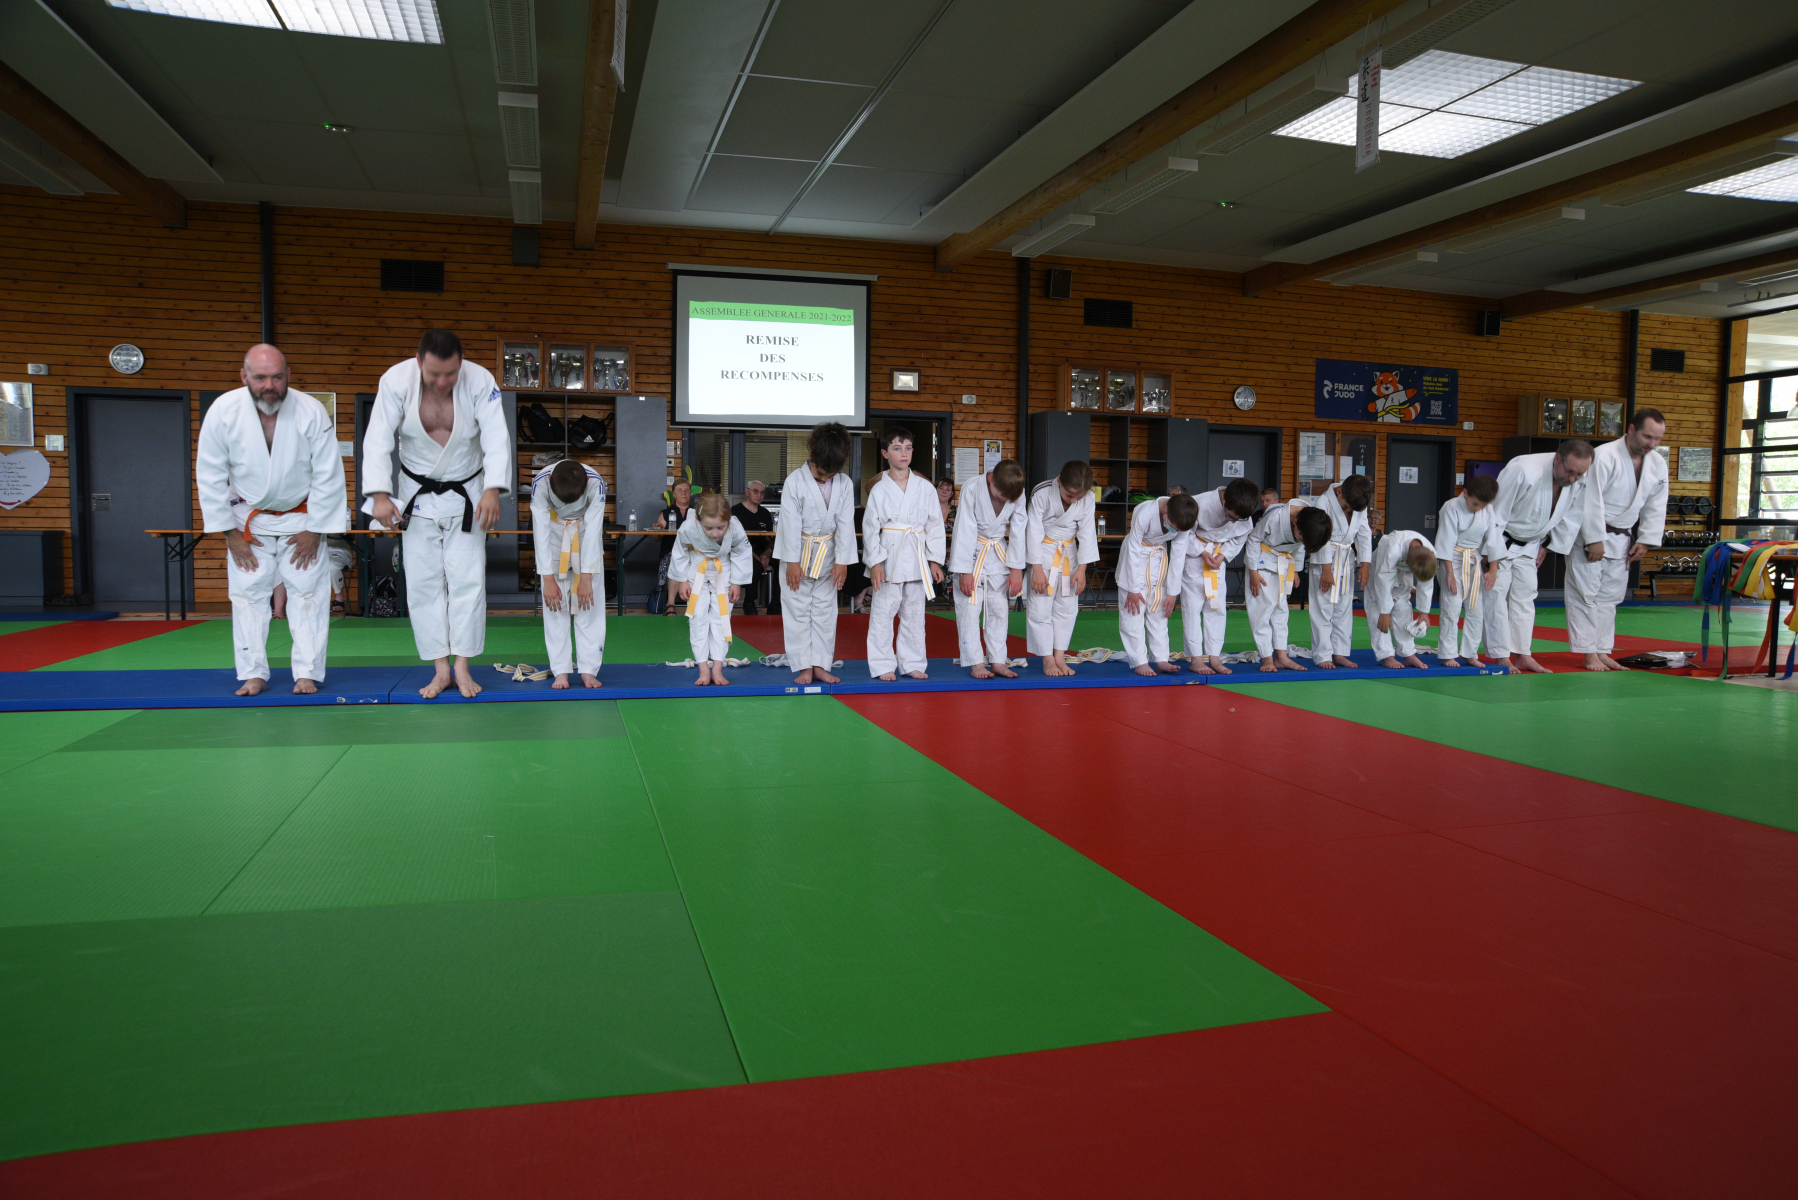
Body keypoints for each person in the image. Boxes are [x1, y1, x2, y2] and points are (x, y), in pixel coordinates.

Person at [363, 329, 509, 699]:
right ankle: (440, 668)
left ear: (461, 363)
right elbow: (378, 438)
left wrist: (493, 488)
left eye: (450, 374)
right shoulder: (395, 381)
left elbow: (496, 436)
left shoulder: (480, 381)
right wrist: (379, 494)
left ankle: (462, 665)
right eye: (434, 374)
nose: (442, 382)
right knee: (423, 584)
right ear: (418, 362)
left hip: (467, 494)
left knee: (468, 582)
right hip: (417, 495)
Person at [196, 344, 347, 696]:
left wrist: (315, 530)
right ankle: (253, 673)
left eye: (277, 377)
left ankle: (307, 673)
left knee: (308, 596)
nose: (269, 385)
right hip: (247, 522)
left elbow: (328, 472)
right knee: (247, 596)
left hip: (302, 520)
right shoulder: (224, 411)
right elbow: (210, 474)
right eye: (261, 377)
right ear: (244, 376)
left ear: (288, 375)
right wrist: (230, 534)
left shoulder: (310, 410)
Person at [1483, 440, 1594, 674]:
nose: (1573, 478)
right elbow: (1494, 512)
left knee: (1525, 598)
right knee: (1497, 597)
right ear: (1557, 459)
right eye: (1570, 472)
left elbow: (1570, 515)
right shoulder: (1524, 470)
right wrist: (1489, 555)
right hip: (1501, 540)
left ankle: (1523, 654)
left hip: (1532, 544)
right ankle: (1501, 656)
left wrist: (1548, 545)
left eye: (1579, 474)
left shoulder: (1578, 479)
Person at [1571, 409, 1668, 671]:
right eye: (1648, 436)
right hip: (1592, 536)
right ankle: (1588, 653)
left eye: (1657, 439)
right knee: (1585, 595)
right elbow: (1588, 498)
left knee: (1610, 597)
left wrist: (1646, 539)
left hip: (1623, 537)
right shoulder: (1604, 456)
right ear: (1632, 429)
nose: (1652, 444)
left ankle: (1602, 650)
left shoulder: (1657, 463)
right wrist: (1594, 538)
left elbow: (1656, 503)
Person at [774, 422, 856, 686]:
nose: (824, 479)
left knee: (825, 612)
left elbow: (846, 523)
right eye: (820, 473)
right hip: (798, 552)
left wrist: (843, 561)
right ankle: (803, 667)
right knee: (797, 610)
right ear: (810, 455)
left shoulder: (844, 483)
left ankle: (820, 665)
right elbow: (789, 524)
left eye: (830, 475)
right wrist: (792, 562)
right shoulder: (795, 481)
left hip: (829, 555)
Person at [863, 428, 946, 680]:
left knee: (914, 614)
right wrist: (875, 562)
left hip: (916, 554)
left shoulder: (925, 488)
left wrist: (935, 561)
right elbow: (870, 529)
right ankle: (882, 664)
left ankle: (912, 663)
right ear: (885, 453)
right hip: (889, 554)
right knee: (883, 613)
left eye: (908, 448)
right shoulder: (879, 489)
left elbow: (935, 525)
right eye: (897, 448)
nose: (904, 453)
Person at [531, 458, 606, 689]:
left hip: (585, 535)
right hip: (553, 537)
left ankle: (588, 670)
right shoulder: (540, 483)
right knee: (555, 606)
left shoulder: (596, 483)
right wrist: (547, 578)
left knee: (589, 604)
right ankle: (561, 671)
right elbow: (539, 529)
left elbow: (594, 529)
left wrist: (586, 577)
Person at [948, 458, 1026, 679]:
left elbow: (1019, 530)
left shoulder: (1017, 491)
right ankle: (975, 663)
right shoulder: (972, 487)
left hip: (999, 554)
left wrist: (1016, 569)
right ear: (990, 479)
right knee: (970, 609)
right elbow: (964, 528)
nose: (1004, 500)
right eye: (1001, 495)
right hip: (973, 552)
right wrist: (965, 571)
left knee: (999, 610)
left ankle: (998, 660)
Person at [1177, 479, 1259, 675]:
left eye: (1238, 519)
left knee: (1217, 607)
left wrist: (1222, 555)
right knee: (1192, 608)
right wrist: (1202, 552)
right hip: (1195, 557)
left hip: (1217, 558)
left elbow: (1240, 538)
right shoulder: (1199, 503)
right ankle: (1196, 659)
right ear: (1223, 499)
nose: (1233, 521)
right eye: (1230, 516)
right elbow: (1184, 533)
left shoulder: (1243, 515)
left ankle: (1214, 657)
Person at [1025, 460, 1098, 677]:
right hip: (1043, 552)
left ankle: (1059, 655)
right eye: (1070, 495)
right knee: (1040, 606)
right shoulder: (1042, 493)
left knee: (1067, 607)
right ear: (1059, 482)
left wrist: (1082, 570)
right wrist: (1037, 569)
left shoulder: (1089, 498)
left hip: (1069, 554)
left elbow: (1087, 533)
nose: (1074, 500)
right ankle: (1047, 658)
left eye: (1079, 497)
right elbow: (1033, 531)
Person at [671, 492, 752, 686]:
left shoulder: (735, 526)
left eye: (720, 528)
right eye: (708, 528)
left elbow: (741, 552)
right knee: (698, 619)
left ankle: (717, 668)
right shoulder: (689, 526)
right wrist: (682, 580)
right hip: (696, 570)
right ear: (699, 520)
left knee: (721, 619)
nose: (715, 533)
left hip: (724, 570)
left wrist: (737, 582)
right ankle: (703, 669)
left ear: (729, 520)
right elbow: (680, 552)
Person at [1117, 492, 1198, 677]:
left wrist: (1172, 592)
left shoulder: (1184, 520)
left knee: (1160, 611)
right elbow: (1133, 548)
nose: (1175, 532)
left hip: (1158, 560)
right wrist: (1132, 588)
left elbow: (1178, 556)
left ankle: (1161, 659)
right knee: (1133, 611)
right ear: (1165, 511)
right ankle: (1139, 661)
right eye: (1173, 527)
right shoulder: (1145, 513)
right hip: (1135, 559)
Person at [1246, 500, 1331, 672]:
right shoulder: (1275, 518)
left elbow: (1299, 548)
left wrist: (1296, 570)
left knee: (1281, 611)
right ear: (1295, 522)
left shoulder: (1309, 523)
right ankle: (1266, 658)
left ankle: (1281, 657)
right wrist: (1253, 571)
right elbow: (1253, 539)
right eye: (1301, 537)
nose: (1301, 540)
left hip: (1283, 563)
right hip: (1261, 561)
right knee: (1262, 610)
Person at [1307, 474, 1373, 670]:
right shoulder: (1323, 502)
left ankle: (1340, 653)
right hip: (1324, 560)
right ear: (1339, 491)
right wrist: (1326, 569)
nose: (1349, 511)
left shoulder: (1358, 501)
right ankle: (1322, 654)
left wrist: (1365, 564)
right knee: (1322, 608)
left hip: (1346, 560)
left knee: (1344, 608)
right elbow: (1321, 537)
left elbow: (1364, 533)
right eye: (1346, 507)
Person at [1433, 474, 1499, 667]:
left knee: (1476, 610)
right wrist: (1450, 573)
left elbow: (1494, 540)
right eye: (1475, 503)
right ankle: (1448, 654)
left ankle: (1470, 653)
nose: (1478, 508)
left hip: (1474, 561)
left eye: (1482, 505)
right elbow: (1445, 541)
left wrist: (1493, 569)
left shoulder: (1488, 509)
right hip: (1452, 560)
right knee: (1451, 607)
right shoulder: (1451, 507)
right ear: (1465, 493)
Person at [1368, 531, 1438, 670]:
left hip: (1404, 570)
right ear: (1406, 562)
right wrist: (1385, 612)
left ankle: (1408, 653)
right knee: (1378, 611)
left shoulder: (1429, 554)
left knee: (1403, 608)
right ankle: (1386, 655)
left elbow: (1426, 582)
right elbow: (1383, 582)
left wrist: (1424, 612)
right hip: (1380, 567)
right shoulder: (1392, 548)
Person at [732, 480, 777, 615]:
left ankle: (775, 604)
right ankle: (749, 602)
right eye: (755, 491)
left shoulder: (765, 513)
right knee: (756, 565)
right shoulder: (736, 511)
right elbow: (734, 540)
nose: (759, 495)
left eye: (762, 493)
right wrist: (754, 554)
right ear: (747, 492)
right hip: (742, 551)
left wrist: (768, 552)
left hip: (762, 550)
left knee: (782, 563)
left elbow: (769, 539)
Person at [652, 479, 694, 614]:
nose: (684, 493)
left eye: (687, 490)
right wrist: (658, 530)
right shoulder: (666, 513)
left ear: (690, 493)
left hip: (693, 551)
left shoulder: (697, 512)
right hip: (671, 551)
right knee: (675, 561)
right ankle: (670, 604)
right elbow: (656, 539)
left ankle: (696, 605)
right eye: (680, 490)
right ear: (674, 494)